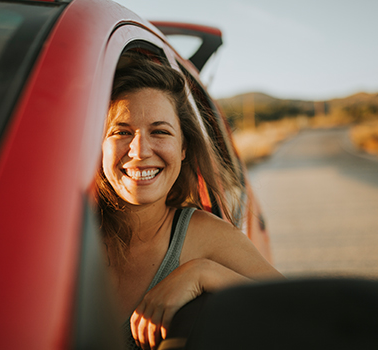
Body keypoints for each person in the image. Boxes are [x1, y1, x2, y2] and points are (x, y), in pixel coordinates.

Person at [94, 56, 283, 350]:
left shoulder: (205, 236)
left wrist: (204, 273)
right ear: (98, 146)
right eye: (121, 132)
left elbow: (295, 308)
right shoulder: (65, 234)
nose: (141, 151)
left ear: (183, 147)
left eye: (160, 131)